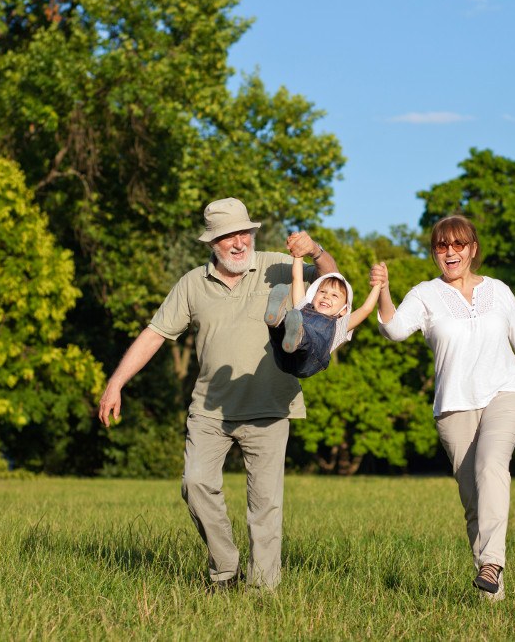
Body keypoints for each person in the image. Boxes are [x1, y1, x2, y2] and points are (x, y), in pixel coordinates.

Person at [97, 196, 338, 590]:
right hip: (211, 410)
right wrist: (115, 383)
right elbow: (155, 333)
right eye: (229, 236)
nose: (240, 242)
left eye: (245, 232)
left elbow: (333, 281)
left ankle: (263, 591)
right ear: (212, 242)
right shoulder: (193, 283)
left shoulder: (277, 265)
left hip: (270, 406)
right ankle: (225, 570)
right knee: (195, 483)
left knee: (265, 506)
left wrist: (316, 250)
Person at [369, 214, 515, 602]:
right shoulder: (425, 294)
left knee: (491, 465)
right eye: (441, 246)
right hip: (454, 407)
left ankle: (492, 563)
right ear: (435, 252)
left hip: (506, 393)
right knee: (474, 499)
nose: (450, 252)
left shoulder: (499, 291)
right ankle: (493, 595)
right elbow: (393, 330)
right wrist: (383, 290)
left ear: (472, 249)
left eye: (458, 245)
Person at [263, 255, 380, 378]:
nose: (326, 296)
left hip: (308, 363)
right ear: (313, 296)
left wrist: (378, 284)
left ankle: (298, 334)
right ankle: (276, 321)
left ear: (344, 310)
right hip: (283, 356)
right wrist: (298, 255)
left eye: (335, 296)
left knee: (305, 331)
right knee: (284, 327)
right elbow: (297, 278)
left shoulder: (340, 325)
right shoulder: (303, 306)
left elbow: (366, 309)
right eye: (322, 292)